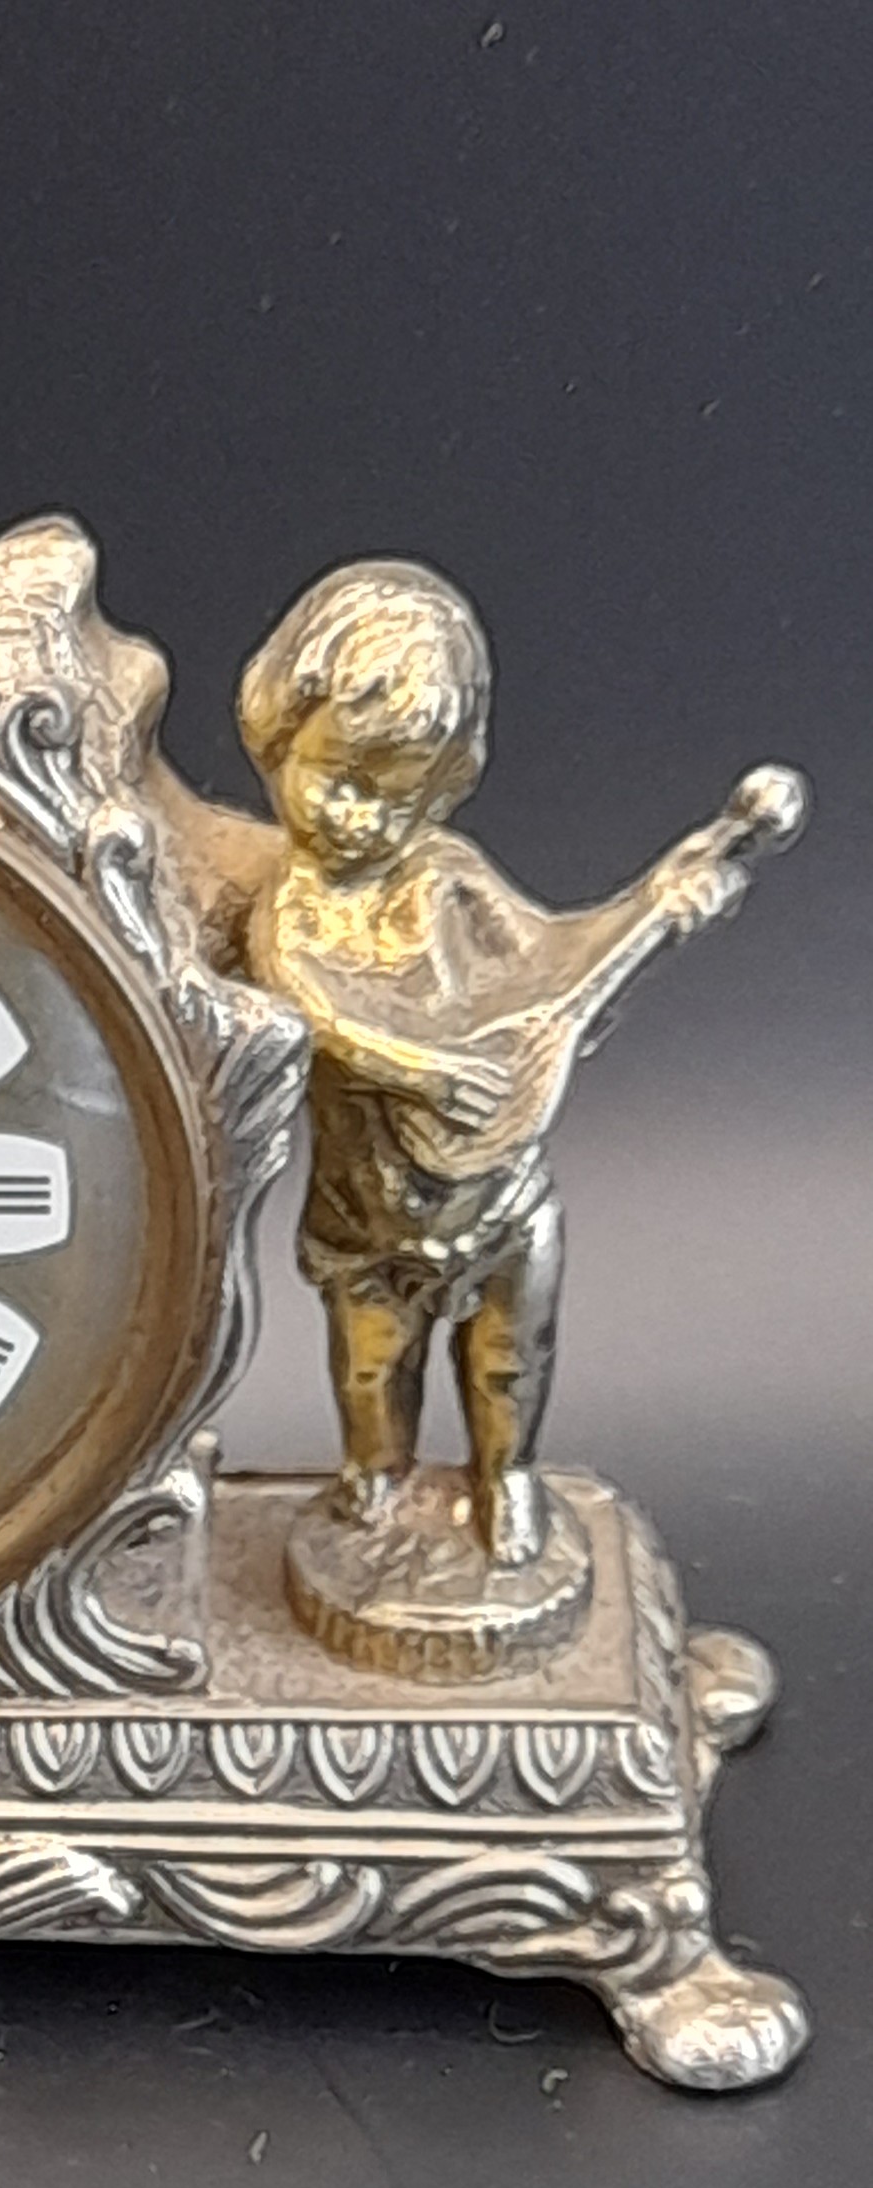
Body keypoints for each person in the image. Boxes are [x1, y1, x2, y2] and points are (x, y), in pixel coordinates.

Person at [239, 560, 758, 1570]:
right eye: (336, 777)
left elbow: (556, 964)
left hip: (501, 1196)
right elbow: (316, 1015)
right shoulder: (290, 910)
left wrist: (658, 904)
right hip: (366, 1215)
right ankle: (375, 1474)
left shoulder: (447, 875)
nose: (358, 816)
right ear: (275, 738)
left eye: (397, 798)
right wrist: (427, 1073)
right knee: (371, 1364)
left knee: (510, 1358)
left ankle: (506, 1474)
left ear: (442, 790)